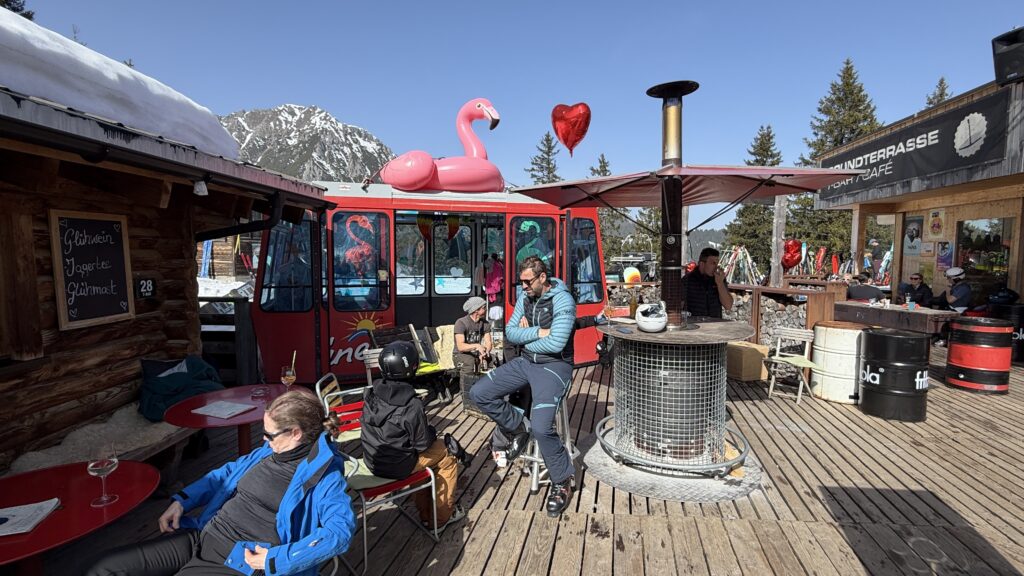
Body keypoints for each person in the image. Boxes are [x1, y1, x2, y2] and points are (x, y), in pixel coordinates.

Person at [85, 391, 355, 576]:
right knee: (104, 567)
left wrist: (276, 559)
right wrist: (183, 500)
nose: (263, 439)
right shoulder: (268, 452)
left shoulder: (324, 477)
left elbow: (340, 532)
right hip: (203, 535)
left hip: (239, 561)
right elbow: (225, 474)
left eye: (268, 434)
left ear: (295, 433)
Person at [468, 256, 577, 517]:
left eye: (528, 282)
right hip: (526, 361)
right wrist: (539, 332)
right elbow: (511, 333)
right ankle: (519, 427)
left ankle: (562, 480)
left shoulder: (563, 300)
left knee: (542, 428)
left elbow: (557, 343)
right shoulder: (524, 297)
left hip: (554, 366)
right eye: (521, 282)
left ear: (543, 277)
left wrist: (527, 336)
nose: (523, 287)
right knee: (478, 393)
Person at [360, 341, 465, 531]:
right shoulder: (411, 404)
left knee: (427, 454)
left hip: (372, 459)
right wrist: (431, 431)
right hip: (397, 466)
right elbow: (422, 444)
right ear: (412, 368)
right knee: (448, 453)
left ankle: (425, 513)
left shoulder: (371, 391)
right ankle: (441, 519)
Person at [681, 248, 734, 318]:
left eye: (717, 264)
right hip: (694, 323)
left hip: (715, 323)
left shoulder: (719, 279)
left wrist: (720, 284)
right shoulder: (688, 280)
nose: (716, 267)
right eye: (713, 263)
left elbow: (728, 306)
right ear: (702, 264)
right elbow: (679, 306)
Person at [454, 296, 493, 375]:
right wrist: (477, 346)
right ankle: (467, 383)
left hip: (477, 353)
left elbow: (488, 342)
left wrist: (485, 353)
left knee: (492, 359)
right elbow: (460, 346)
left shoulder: (485, 323)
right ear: (476, 310)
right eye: (484, 308)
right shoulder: (461, 323)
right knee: (471, 363)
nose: (486, 309)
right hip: (461, 354)